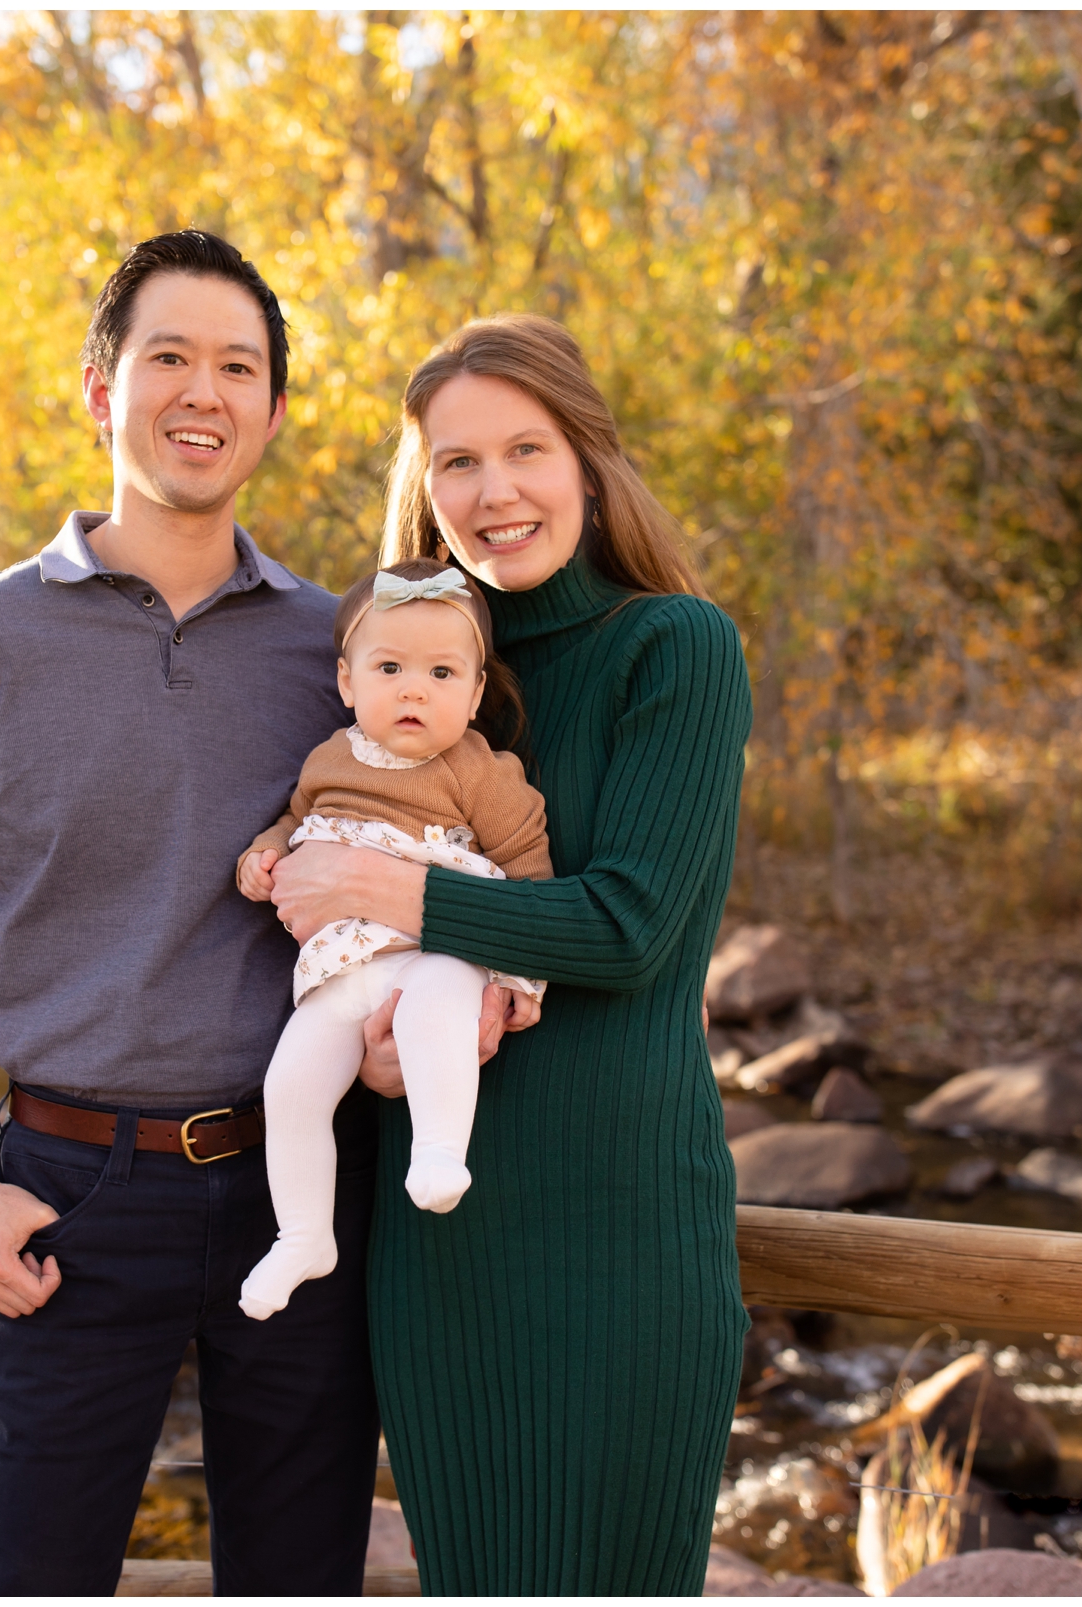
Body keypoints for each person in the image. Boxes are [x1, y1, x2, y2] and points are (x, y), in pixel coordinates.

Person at [0, 230, 504, 1597]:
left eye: (239, 367)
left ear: (271, 409)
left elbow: (434, 851)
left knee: (301, 1576)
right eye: (171, 359)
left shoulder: (342, 650)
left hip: (300, 1171)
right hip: (72, 1195)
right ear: (102, 389)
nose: (205, 391)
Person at [269, 313, 755, 1595]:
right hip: (445, 1239)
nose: (494, 492)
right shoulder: (412, 674)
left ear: (588, 463)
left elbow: (629, 927)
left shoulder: (678, 648)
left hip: (625, 1225)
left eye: (525, 449)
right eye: (457, 464)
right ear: (424, 498)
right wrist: (371, 1032)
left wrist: (382, 886)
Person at [233, 557, 552, 1320]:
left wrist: (520, 978)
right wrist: (265, 851)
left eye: (443, 673)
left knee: (435, 1010)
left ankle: (440, 1149)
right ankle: (305, 1233)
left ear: (476, 694)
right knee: (291, 1087)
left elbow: (529, 867)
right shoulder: (327, 758)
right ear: (348, 682)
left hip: (432, 948)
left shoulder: (478, 769)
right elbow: (297, 819)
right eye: (391, 667)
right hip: (338, 969)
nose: (415, 689)